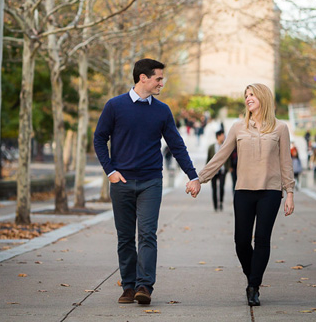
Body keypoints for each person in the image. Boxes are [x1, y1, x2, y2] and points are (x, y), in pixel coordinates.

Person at [93, 58, 200, 306]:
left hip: (151, 181)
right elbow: (99, 139)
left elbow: (176, 145)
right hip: (121, 182)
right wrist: (110, 171)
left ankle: (144, 286)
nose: (162, 83)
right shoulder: (115, 106)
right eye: (158, 78)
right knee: (125, 237)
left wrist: (192, 175)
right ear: (143, 78)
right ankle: (128, 287)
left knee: (148, 235)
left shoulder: (162, 110)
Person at [194, 83, 294, 307]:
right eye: (246, 95)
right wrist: (200, 178)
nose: (248, 98)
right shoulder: (238, 128)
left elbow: (285, 163)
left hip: (270, 191)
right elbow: (221, 156)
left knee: (262, 240)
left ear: (263, 98)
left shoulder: (280, 128)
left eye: (252, 95)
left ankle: (253, 287)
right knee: (241, 241)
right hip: (243, 191)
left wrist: (289, 193)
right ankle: (252, 277)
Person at [207, 129, 228, 211]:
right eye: (222, 135)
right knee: (214, 188)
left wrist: (227, 168)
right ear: (218, 136)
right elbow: (208, 159)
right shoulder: (211, 147)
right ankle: (215, 205)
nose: (224, 137)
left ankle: (221, 202)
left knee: (222, 187)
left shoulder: (225, 146)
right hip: (213, 171)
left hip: (222, 170)